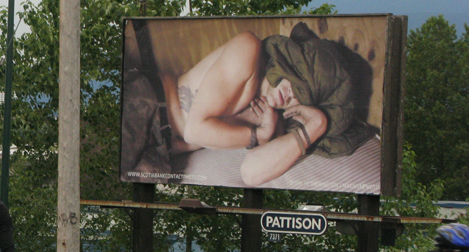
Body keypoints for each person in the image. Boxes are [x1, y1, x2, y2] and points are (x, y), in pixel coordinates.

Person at [122, 22, 370, 187]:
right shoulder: (248, 49)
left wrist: (315, 126)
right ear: (291, 65)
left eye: (304, 98)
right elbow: (194, 131)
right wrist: (259, 135)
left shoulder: (276, 116)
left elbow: (250, 173)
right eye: (299, 81)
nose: (292, 96)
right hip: (144, 104)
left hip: (157, 153)